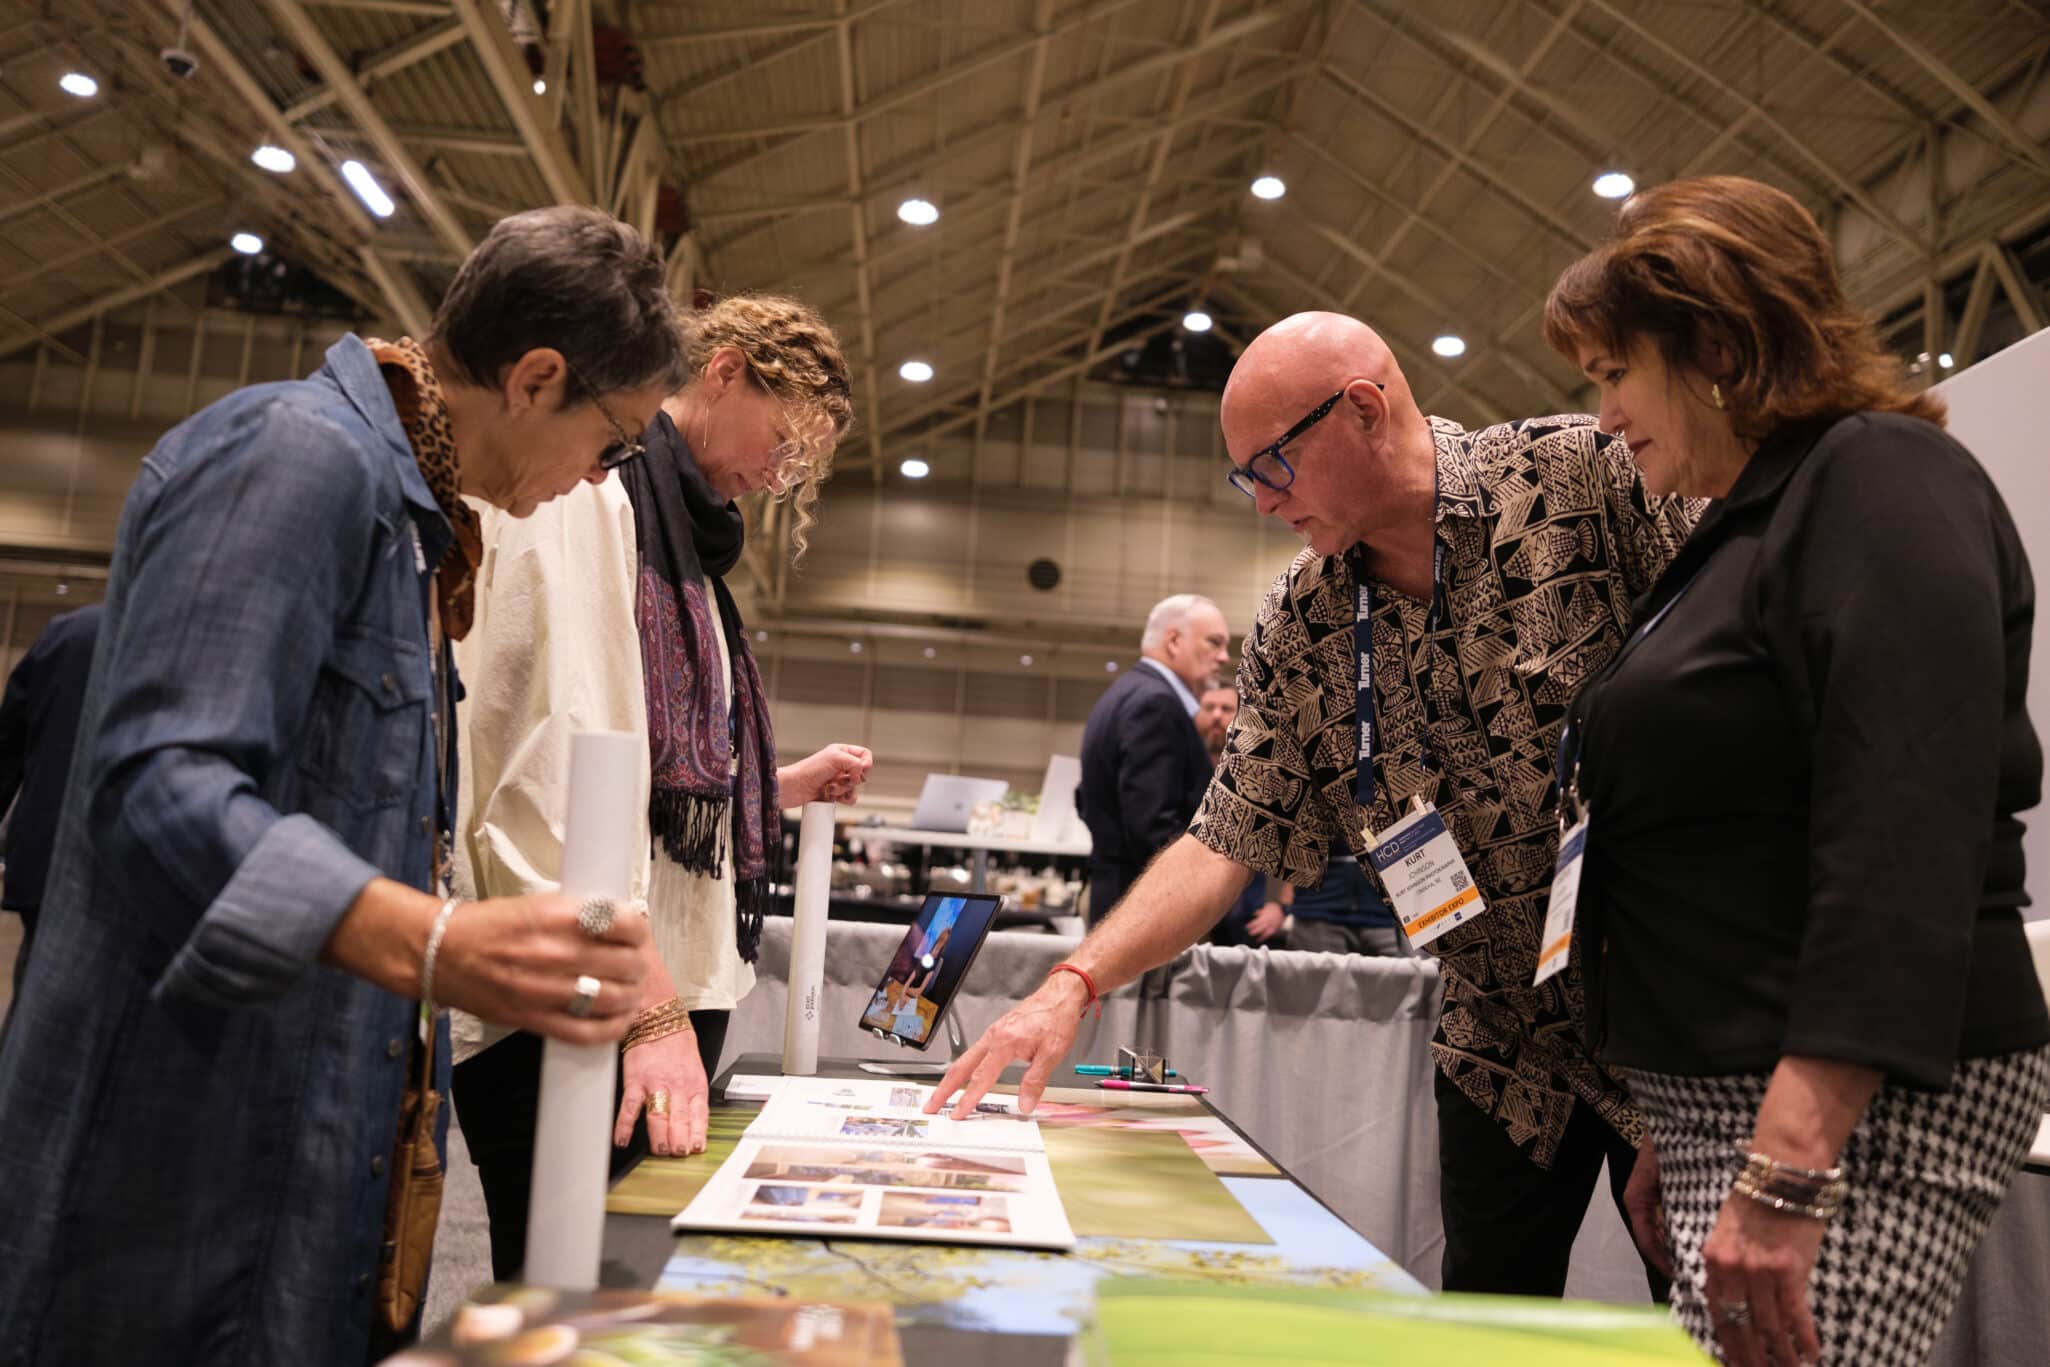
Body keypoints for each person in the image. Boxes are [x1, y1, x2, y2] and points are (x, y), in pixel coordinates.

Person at [0, 206, 685, 1366]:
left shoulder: (415, 529)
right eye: (613, 443)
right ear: (534, 379)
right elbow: (159, 785)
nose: (596, 479)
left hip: (287, 1185)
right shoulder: (298, 455)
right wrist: (434, 941)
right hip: (165, 1199)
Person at [931, 310, 1700, 1303]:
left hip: (1672, 1015)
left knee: (1718, 1318)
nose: (1260, 502)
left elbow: (1748, 726)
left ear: (1365, 410)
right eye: (1244, 478)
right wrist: (1073, 982)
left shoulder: (1585, 481)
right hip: (1499, 1044)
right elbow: (1224, 834)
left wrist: (1709, 1060)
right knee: (1485, 1320)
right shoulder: (1303, 621)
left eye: (1272, 465)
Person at [1541, 174, 2050, 1367]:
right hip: (1743, 1090)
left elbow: (1902, 826)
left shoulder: (1878, 474)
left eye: (1615, 372)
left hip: (1859, 1104)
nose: (1603, 415)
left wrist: (1786, 1153)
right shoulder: (1745, 526)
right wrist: (1678, 1116)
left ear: (1717, 347)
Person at [448, 293, 869, 1281]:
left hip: (662, 968)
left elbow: (653, 753)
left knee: (617, 1287)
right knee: (567, 1289)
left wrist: (777, 785)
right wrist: (647, 1002)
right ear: (722, 372)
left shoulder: (686, 550)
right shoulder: (590, 495)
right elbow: (546, 772)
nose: (780, 474)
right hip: (589, 982)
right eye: (782, 440)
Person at [1078, 594, 1231, 924]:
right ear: (1174, 641)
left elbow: (1084, 798)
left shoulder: (1125, 692)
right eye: (1214, 642)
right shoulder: (1156, 704)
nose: (1224, 656)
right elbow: (1152, 828)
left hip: (1117, 895)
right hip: (1143, 909)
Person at [0, 604, 100, 993]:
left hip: (44, 859)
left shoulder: (68, 633)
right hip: (131, 875)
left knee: (35, 994)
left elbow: (7, 745)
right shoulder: (186, 648)